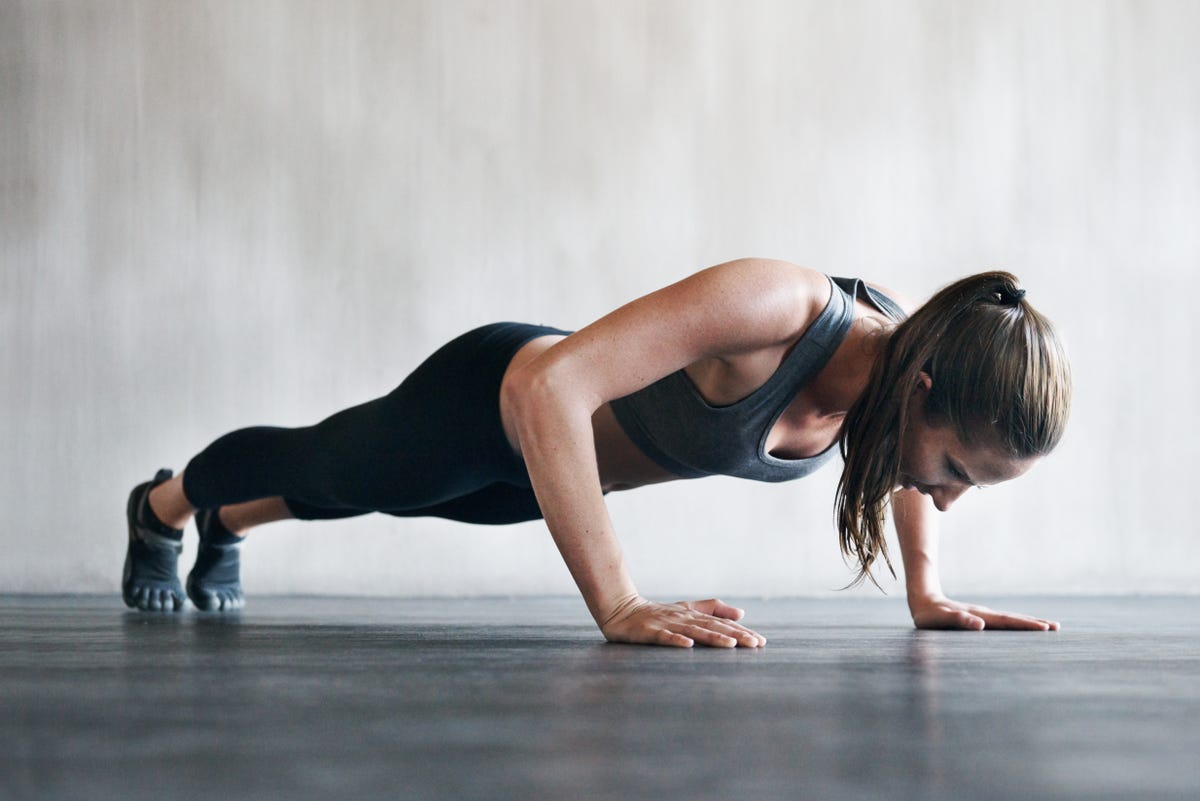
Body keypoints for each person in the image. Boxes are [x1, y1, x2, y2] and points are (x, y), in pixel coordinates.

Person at [123, 258, 1072, 647]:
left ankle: (228, 523)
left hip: (550, 479)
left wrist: (925, 591)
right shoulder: (781, 309)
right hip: (492, 404)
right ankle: (164, 507)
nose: (943, 495)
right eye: (958, 470)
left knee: (371, 494)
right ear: (924, 389)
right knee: (324, 464)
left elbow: (900, 469)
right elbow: (551, 387)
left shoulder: (898, 383)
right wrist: (618, 602)